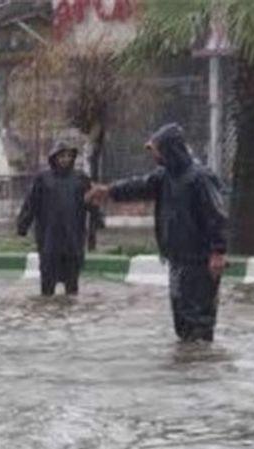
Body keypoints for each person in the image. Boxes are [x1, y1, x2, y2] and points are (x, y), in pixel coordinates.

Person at [88, 123, 228, 342]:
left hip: (199, 262)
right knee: (181, 319)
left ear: (170, 150)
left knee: (199, 321)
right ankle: (189, 367)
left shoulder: (200, 178)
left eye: (157, 151)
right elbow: (139, 186)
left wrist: (217, 252)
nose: (155, 157)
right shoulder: (164, 177)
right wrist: (109, 191)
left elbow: (216, 216)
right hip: (177, 259)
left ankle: (200, 366)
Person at [17, 138, 99, 297]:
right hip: (49, 240)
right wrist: (23, 224)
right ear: (54, 158)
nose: (65, 159)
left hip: (73, 239)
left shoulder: (80, 179)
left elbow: (92, 203)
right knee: (47, 285)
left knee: (72, 286)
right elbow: (31, 203)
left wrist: (97, 221)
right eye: (62, 156)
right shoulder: (43, 179)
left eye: (68, 156)